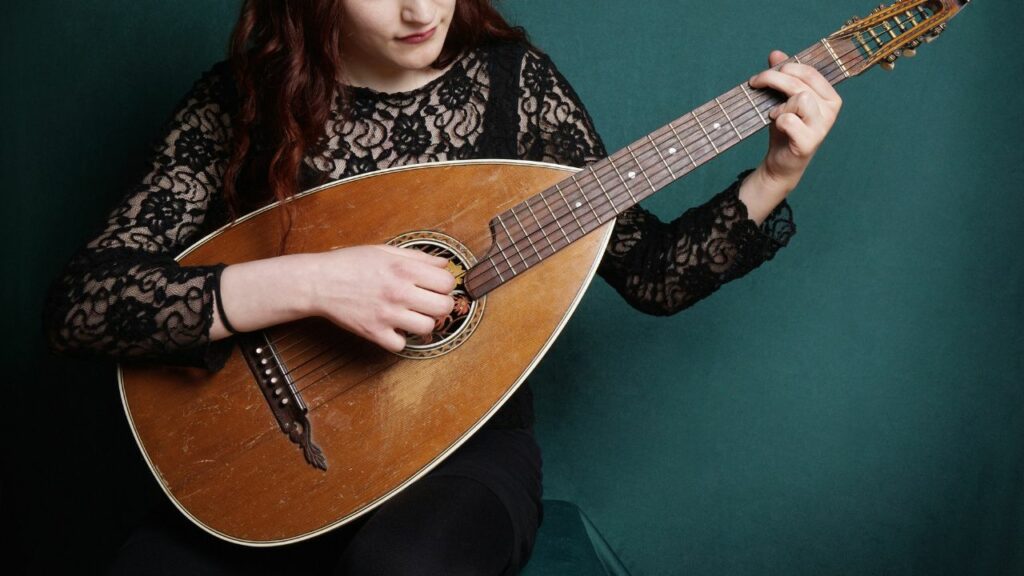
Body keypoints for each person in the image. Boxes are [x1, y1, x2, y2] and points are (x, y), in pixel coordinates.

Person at [43, 0, 841, 574]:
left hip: (462, 458)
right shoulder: (239, 102)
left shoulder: (513, 84)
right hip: (265, 460)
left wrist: (776, 172)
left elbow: (652, 275)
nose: (421, 8)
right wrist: (316, 283)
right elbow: (82, 305)